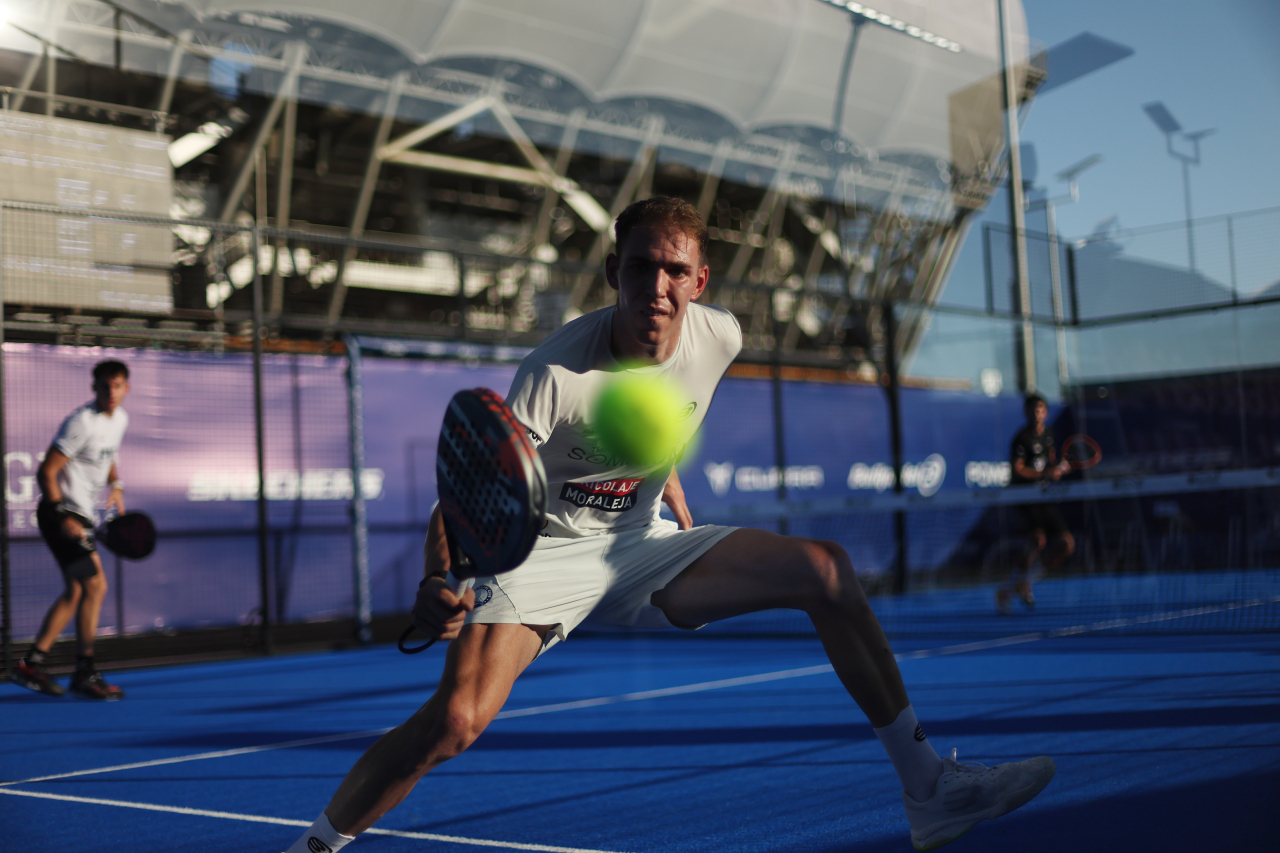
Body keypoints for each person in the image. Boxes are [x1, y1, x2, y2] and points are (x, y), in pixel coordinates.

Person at [283, 198, 1054, 853]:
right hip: (538, 554)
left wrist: (668, 470)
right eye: (642, 266)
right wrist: (437, 579)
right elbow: (464, 490)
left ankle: (930, 790)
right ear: (613, 270)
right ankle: (312, 844)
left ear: (699, 281)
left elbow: (668, 411)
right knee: (453, 721)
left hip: (639, 546)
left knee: (825, 570)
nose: (658, 285)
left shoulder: (720, 336)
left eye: (675, 270)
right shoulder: (554, 374)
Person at [12, 359, 131, 700]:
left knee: (78, 591)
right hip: (59, 516)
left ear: (127, 388)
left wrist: (117, 484)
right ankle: (83, 671)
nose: (111, 392)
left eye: (117, 385)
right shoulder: (81, 422)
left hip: (80, 517)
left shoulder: (120, 419)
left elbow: (108, 458)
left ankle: (31, 665)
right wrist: (62, 515)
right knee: (95, 586)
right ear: (94, 388)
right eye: (105, 386)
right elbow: (45, 472)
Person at [997, 394, 1076, 614]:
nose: (1036, 414)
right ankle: (1007, 589)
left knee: (1065, 544)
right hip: (1022, 497)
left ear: (1046, 413)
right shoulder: (1020, 438)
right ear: (1026, 413)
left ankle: (1025, 582)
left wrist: (1058, 469)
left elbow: (1049, 463)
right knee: (1037, 540)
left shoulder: (1049, 435)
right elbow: (1018, 470)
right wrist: (1045, 472)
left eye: (1040, 410)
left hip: (1043, 497)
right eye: (1032, 410)